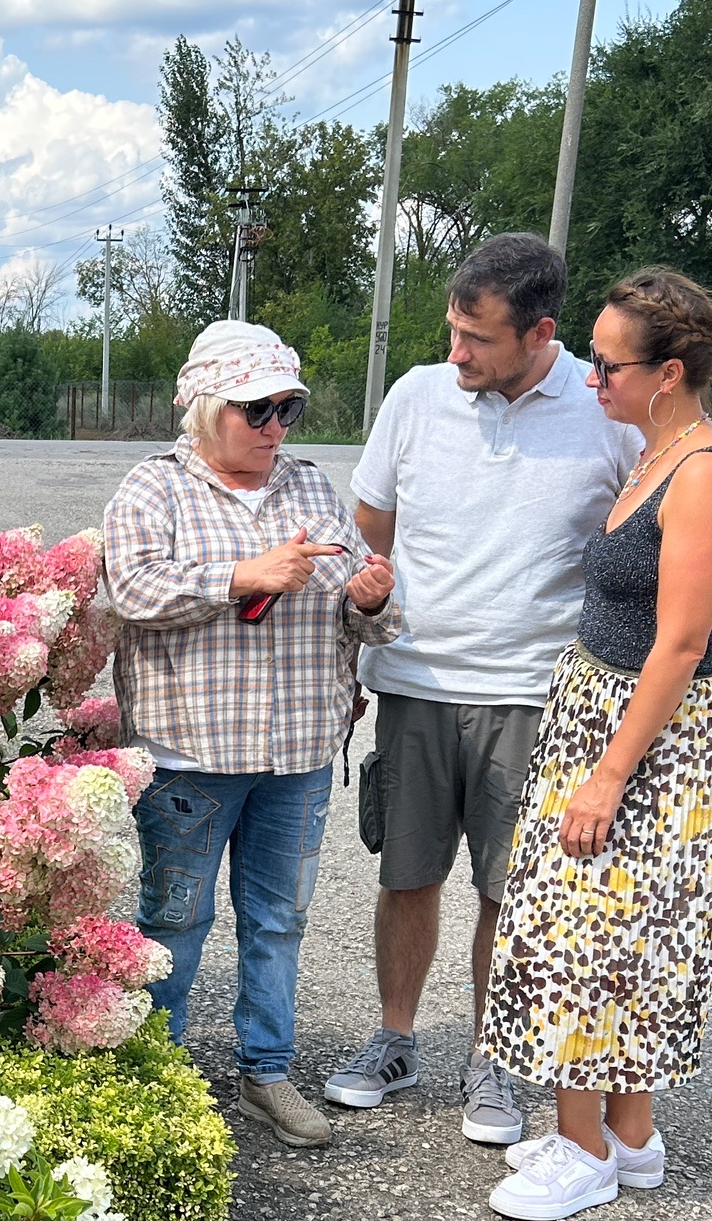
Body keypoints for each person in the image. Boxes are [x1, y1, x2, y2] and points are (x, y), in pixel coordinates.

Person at [327, 234, 640, 1147]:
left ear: (540, 333)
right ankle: (395, 1040)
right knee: (407, 873)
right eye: (452, 330)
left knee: (509, 890)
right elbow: (372, 529)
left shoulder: (605, 414)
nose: (456, 352)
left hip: (536, 694)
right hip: (416, 680)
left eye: (478, 338)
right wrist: (363, 642)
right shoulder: (416, 396)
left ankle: (491, 1056)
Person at [478, 267, 712, 1221]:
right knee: (625, 934)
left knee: (584, 935)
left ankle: (584, 1149)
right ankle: (631, 1137)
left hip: (647, 735)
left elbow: (681, 643)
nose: (591, 379)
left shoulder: (704, 472)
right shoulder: (655, 451)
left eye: (608, 365)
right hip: (608, 713)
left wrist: (605, 776)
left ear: (669, 373)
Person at [104, 320, 401, 1149]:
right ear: (207, 409)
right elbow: (130, 590)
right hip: (189, 756)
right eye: (256, 409)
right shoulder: (154, 487)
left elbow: (368, 616)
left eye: (287, 409)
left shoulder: (310, 488)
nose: (275, 427)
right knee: (173, 922)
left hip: (298, 752)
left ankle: (265, 1073)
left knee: (277, 923)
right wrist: (244, 576)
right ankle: (155, 1080)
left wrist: (372, 600)